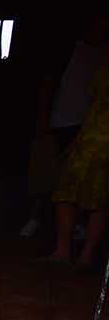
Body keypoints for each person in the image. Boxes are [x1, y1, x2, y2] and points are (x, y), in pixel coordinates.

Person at [46, 16, 109, 267]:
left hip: (96, 136)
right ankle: (76, 253)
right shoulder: (95, 60)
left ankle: (75, 253)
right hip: (88, 132)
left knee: (87, 194)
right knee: (86, 194)